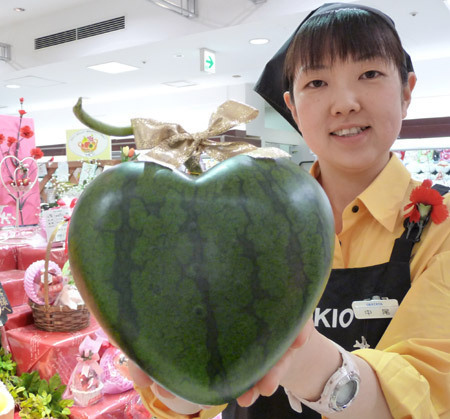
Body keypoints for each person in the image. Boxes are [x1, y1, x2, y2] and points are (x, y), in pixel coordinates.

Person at [129, 3, 450, 418]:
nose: (344, 103)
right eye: (317, 82)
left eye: (369, 74)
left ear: (407, 91)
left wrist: (296, 356)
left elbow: (428, 392)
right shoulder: (243, 215)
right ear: (293, 108)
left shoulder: (440, 227)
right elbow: (205, 377)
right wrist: (181, 385)